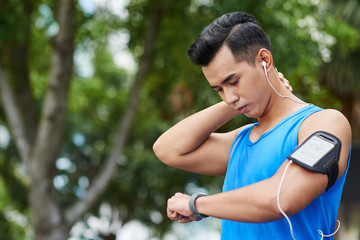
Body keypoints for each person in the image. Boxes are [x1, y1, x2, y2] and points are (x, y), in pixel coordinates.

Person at [152, 12, 351, 239]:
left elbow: (281, 197)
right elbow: (167, 149)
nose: (228, 96)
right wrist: (233, 103)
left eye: (233, 81)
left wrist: (197, 204)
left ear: (264, 60)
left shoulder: (323, 124)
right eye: (219, 89)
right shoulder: (241, 140)